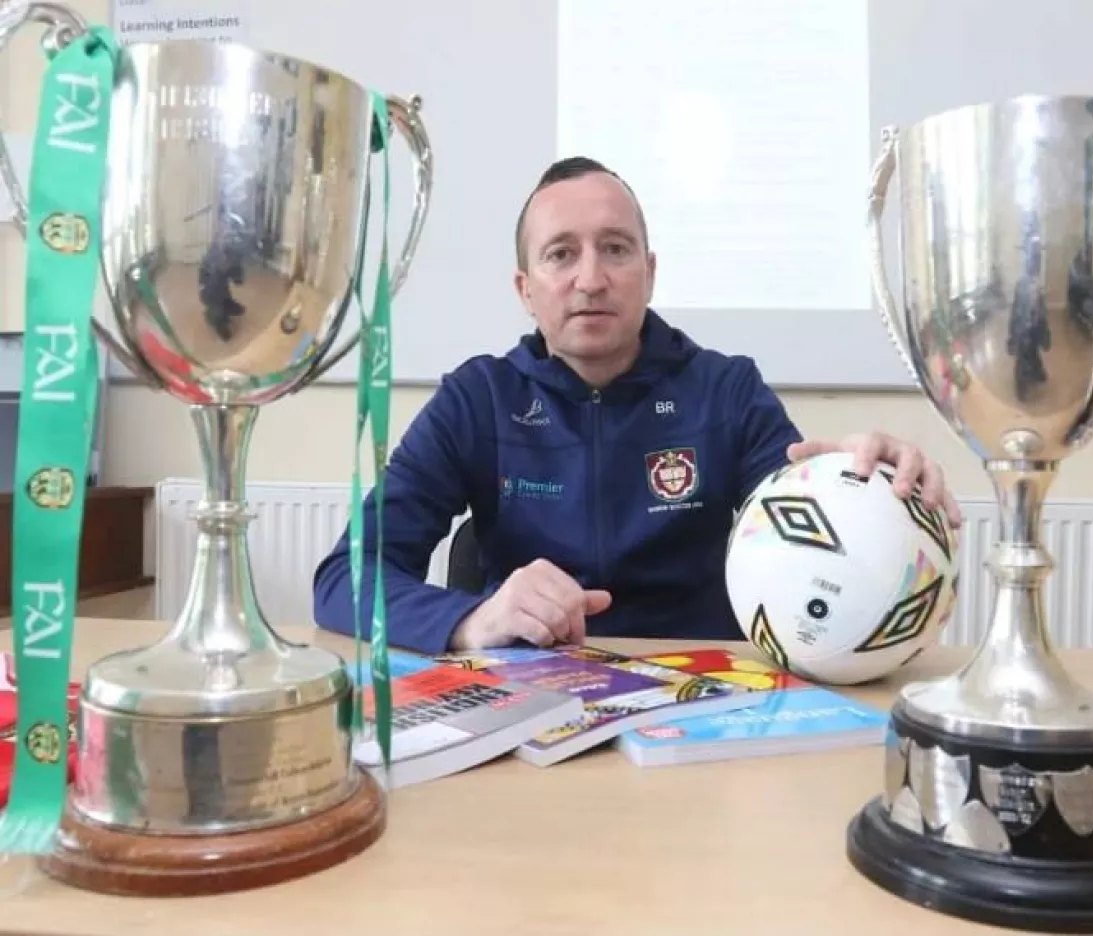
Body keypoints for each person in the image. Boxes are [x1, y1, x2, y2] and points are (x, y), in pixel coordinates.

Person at [311, 157, 962, 656]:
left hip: (704, 702)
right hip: (531, 706)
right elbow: (344, 577)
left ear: (649, 272)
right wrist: (468, 620)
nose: (590, 278)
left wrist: (877, 493)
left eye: (615, 249)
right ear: (526, 289)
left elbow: (815, 534)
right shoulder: (476, 400)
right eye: (561, 254)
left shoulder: (726, 391)